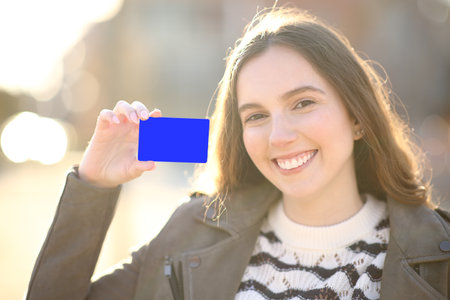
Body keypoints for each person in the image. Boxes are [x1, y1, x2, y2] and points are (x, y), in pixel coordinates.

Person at [26, 7, 450, 300]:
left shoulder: (437, 254)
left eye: (303, 103)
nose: (279, 136)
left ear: (357, 116)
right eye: (256, 116)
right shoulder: (189, 232)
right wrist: (93, 184)